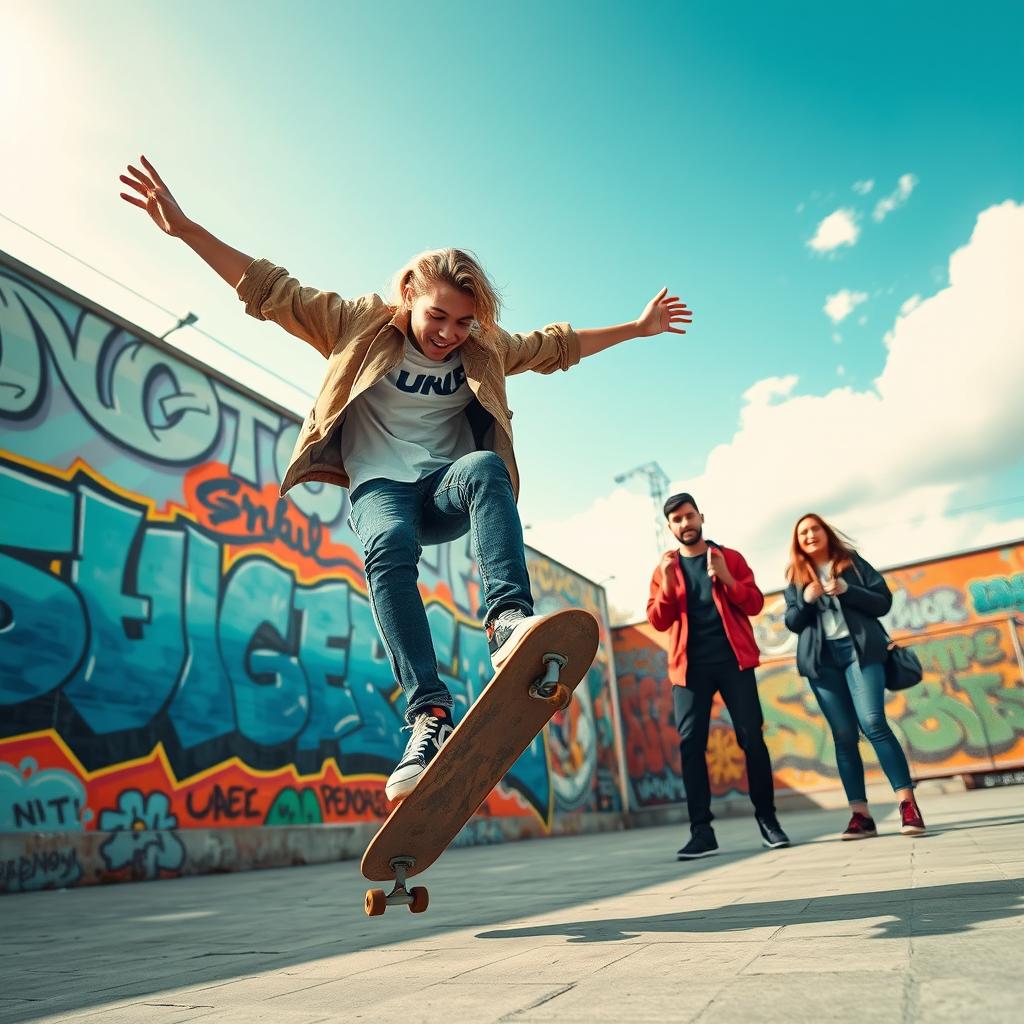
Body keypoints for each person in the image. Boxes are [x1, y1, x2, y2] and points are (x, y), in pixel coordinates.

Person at [119, 156, 693, 801]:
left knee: (484, 466)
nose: (449, 334)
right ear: (408, 297)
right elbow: (269, 289)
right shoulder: (354, 323)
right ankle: (427, 714)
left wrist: (637, 328)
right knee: (387, 548)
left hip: (447, 488)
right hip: (379, 490)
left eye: (463, 322)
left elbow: (557, 345)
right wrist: (189, 230)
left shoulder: (487, 347)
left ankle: (508, 623)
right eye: (437, 318)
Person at [647, 493, 789, 859]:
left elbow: (754, 603)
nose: (685, 523)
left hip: (733, 663)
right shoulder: (665, 568)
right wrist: (664, 583)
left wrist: (726, 578)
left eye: (689, 516)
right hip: (689, 669)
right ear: (670, 527)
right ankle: (702, 832)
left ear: (701, 517)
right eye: (677, 519)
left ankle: (768, 821)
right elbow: (658, 620)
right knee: (691, 746)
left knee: (751, 740)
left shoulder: (729, 557)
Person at [783, 514, 926, 838]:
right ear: (797, 541)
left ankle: (907, 805)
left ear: (825, 532)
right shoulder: (796, 575)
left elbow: (883, 602)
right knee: (844, 735)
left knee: (873, 722)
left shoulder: (852, 563)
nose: (809, 535)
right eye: (803, 532)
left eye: (814, 528)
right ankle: (860, 816)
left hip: (860, 652)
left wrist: (847, 590)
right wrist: (806, 600)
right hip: (823, 661)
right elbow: (792, 621)